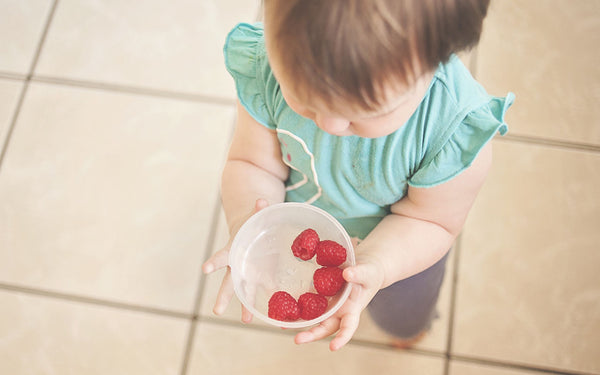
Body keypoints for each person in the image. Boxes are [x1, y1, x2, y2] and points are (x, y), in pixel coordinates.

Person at [202, 0, 514, 351]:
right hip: (304, 225)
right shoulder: (269, 68)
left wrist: (379, 265)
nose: (329, 125)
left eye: (362, 113)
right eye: (304, 98)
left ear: (437, 59)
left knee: (403, 312)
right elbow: (253, 163)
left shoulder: (451, 130)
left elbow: (433, 221)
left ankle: (407, 330)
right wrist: (248, 223)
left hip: (401, 249)